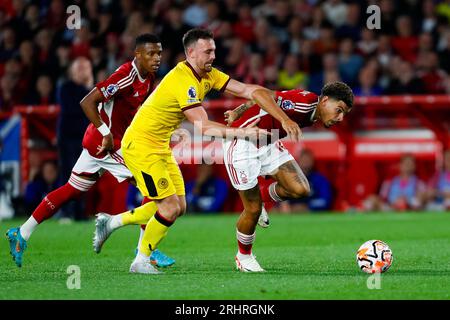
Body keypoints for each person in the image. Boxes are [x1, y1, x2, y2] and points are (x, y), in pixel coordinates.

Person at [93, 28, 302, 275]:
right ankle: (140, 261)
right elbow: (204, 127)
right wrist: (247, 133)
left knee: (178, 206)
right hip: (140, 146)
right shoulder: (183, 80)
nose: (213, 55)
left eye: (214, 50)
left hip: (159, 146)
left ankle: (112, 222)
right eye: (208, 51)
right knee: (168, 208)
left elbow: (247, 90)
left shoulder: (208, 74)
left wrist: (270, 99)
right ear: (190, 53)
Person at [6, 34, 173, 268]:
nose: (157, 58)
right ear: (137, 55)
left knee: (71, 189)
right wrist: (106, 133)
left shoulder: (149, 78)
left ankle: (22, 232)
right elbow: (87, 102)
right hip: (107, 144)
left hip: (102, 142)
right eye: (151, 53)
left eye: (159, 53)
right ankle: (145, 250)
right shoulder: (126, 75)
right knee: (156, 190)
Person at [223, 81, 354, 272]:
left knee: (299, 188)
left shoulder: (311, 112)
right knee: (251, 210)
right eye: (339, 110)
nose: (340, 118)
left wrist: (239, 110)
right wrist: (285, 120)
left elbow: (269, 95)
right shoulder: (304, 104)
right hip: (243, 143)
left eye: (344, 114)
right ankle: (244, 257)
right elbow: (260, 93)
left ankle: (262, 199)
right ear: (325, 101)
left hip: (268, 142)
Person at [279, 148, 333, 213]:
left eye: (308, 160)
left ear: (312, 161)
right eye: (303, 159)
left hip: (312, 213)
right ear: (298, 161)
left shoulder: (320, 180)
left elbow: (325, 201)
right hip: (291, 212)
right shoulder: (289, 179)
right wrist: (284, 205)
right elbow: (280, 197)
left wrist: (308, 206)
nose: (306, 162)